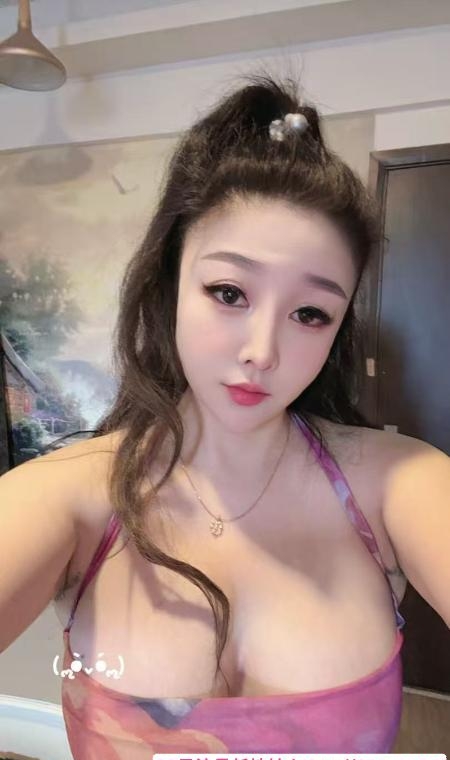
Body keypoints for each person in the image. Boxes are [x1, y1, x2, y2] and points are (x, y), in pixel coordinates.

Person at [0, 72, 449, 759]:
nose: (262, 352)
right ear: (170, 286)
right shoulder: (68, 496)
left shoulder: (402, 484)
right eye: (229, 292)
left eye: (310, 313)